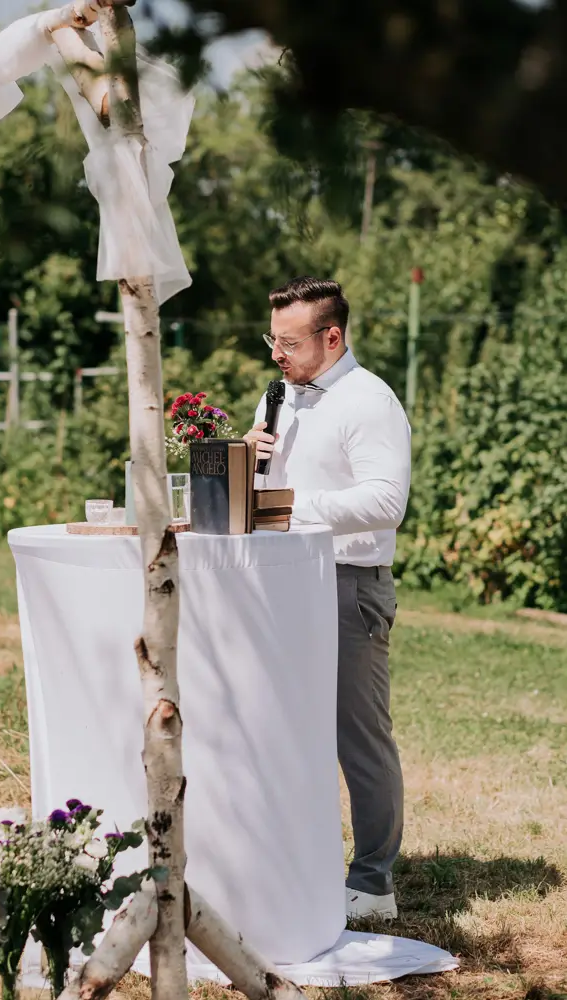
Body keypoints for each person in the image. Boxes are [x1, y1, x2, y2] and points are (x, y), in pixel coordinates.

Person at [245, 276, 411, 921]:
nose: (275, 353)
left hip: (347, 583)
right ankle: (290, 859)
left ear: (332, 336)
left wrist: (289, 508)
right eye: (272, 339)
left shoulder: (370, 401)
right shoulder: (279, 396)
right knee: (279, 723)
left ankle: (373, 884)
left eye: (287, 342)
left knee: (358, 736)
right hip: (279, 579)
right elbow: (265, 490)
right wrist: (245, 456)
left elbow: (384, 502)